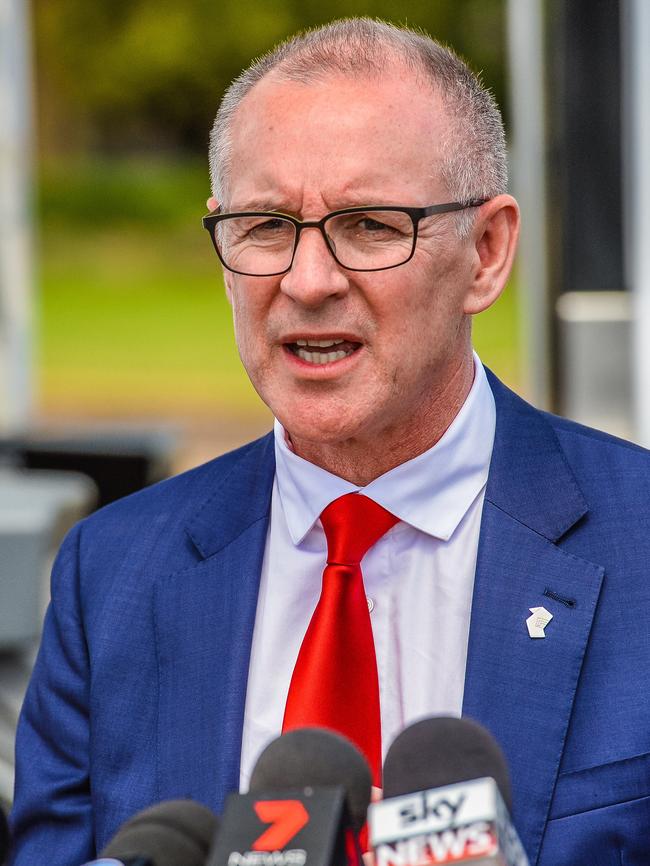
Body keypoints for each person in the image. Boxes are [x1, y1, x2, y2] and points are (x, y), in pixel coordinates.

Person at [9, 18, 650, 866]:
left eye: (371, 225)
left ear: (487, 253)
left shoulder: (635, 540)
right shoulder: (114, 576)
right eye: (266, 225)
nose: (307, 282)